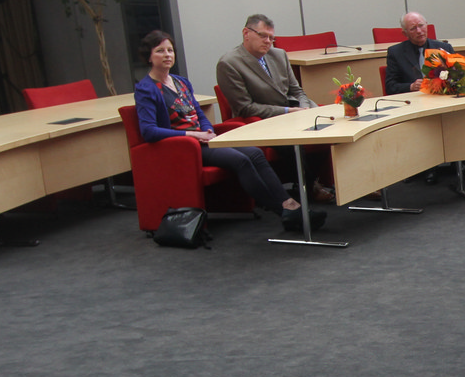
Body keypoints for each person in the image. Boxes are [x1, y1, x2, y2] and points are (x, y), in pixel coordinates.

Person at [133, 29, 323, 234]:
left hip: (203, 139)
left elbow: (199, 114)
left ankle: (290, 207)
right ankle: (286, 210)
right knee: (240, 160)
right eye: (160, 51)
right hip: (184, 147)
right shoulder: (146, 89)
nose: (167, 55)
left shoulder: (181, 82)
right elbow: (149, 131)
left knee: (255, 153)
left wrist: (207, 130)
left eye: (170, 50)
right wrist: (194, 135)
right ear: (149, 56)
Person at [215, 14, 333, 203]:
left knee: (336, 125)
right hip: (263, 121)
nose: (268, 41)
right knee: (290, 141)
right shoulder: (229, 63)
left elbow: (297, 91)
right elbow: (245, 108)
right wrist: (287, 112)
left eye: (271, 37)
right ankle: (310, 186)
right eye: (263, 36)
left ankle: (347, 182)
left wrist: (305, 110)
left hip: (294, 112)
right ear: (246, 33)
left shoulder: (278, 55)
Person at [384, 12, 465, 184]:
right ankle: (428, 166)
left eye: (421, 26)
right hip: (416, 104)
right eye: (413, 28)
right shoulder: (395, 52)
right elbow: (390, 86)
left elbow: (460, 77)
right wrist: (410, 86)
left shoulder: (443, 47)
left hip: (444, 100)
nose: (419, 31)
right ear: (405, 33)